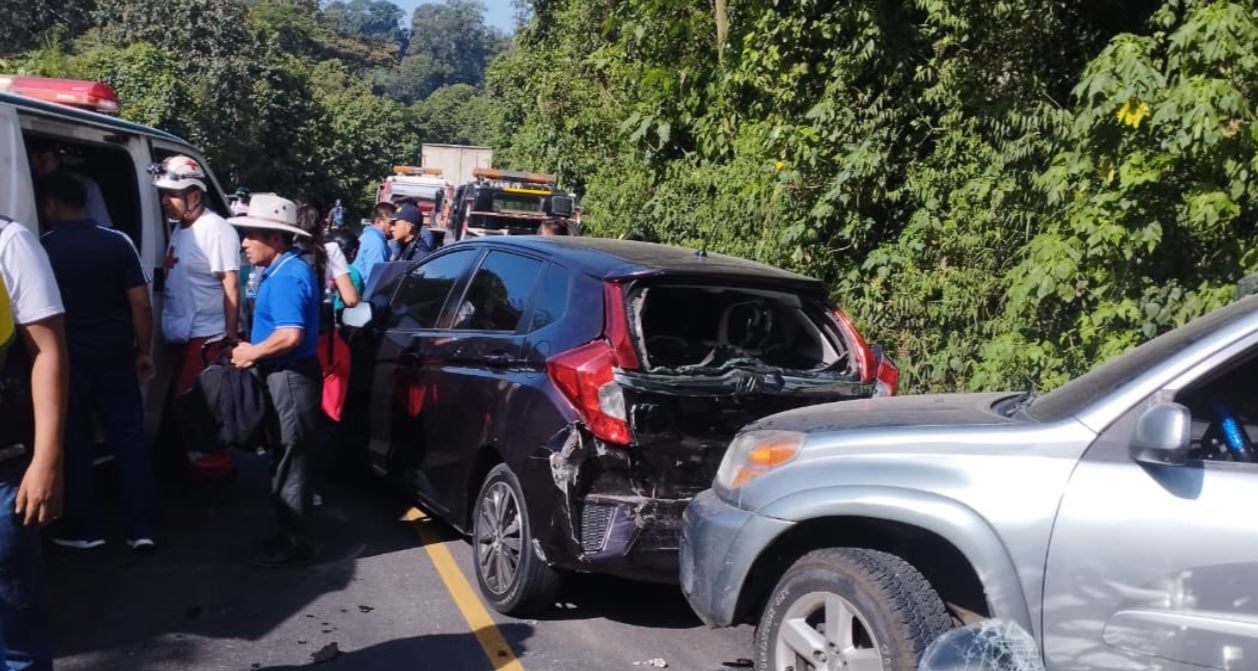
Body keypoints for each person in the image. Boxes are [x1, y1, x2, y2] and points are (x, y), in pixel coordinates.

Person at [37, 172, 158, 553]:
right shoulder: (117, 241)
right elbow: (140, 302)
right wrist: (144, 350)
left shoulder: (42, 247)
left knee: (75, 443)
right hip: (116, 357)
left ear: (52, 206)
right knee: (129, 441)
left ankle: (86, 529)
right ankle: (141, 528)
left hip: (69, 362)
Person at [227, 194, 323, 567]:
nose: (245, 243)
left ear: (277, 239)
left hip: (291, 377)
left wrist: (251, 352)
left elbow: (289, 335)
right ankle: (288, 532)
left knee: (291, 458)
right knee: (287, 455)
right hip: (285, 375)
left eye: (252, 235)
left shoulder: (288, 276)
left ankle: (295, 540)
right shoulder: (283, 269)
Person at [0, 213, 67, 671]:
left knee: (14, 624)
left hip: (4, 469)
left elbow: (48, 351)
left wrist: (47, 459)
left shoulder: (10, 241)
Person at [153, 155, 241, 479]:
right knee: (183, 405)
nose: (166, 201)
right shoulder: (182, 229)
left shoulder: (214, 229)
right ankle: (195, 463)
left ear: (194, 194)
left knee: (195, 406)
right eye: (163, 194)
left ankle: (215, 471)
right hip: (182, 331)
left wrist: (230, 338)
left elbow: (230, 284)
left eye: (172, 194)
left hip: (208, 335)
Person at [27, 137, 113, 229]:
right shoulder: (20, 185)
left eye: (42, 157)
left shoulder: (84, 185)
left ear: (57, 160)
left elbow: (100, 227)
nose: (35, 164)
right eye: (31, 159)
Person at [294, 199, 358, 310]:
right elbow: (351, 299)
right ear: (320, 222)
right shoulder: (330, 249)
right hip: (316, 319)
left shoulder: (282, 248)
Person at [352, 203, 397, 283]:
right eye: (391, 223)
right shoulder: (376, 243)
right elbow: (374, 281)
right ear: (378, 221)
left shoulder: (368, 236)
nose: (394, 228)